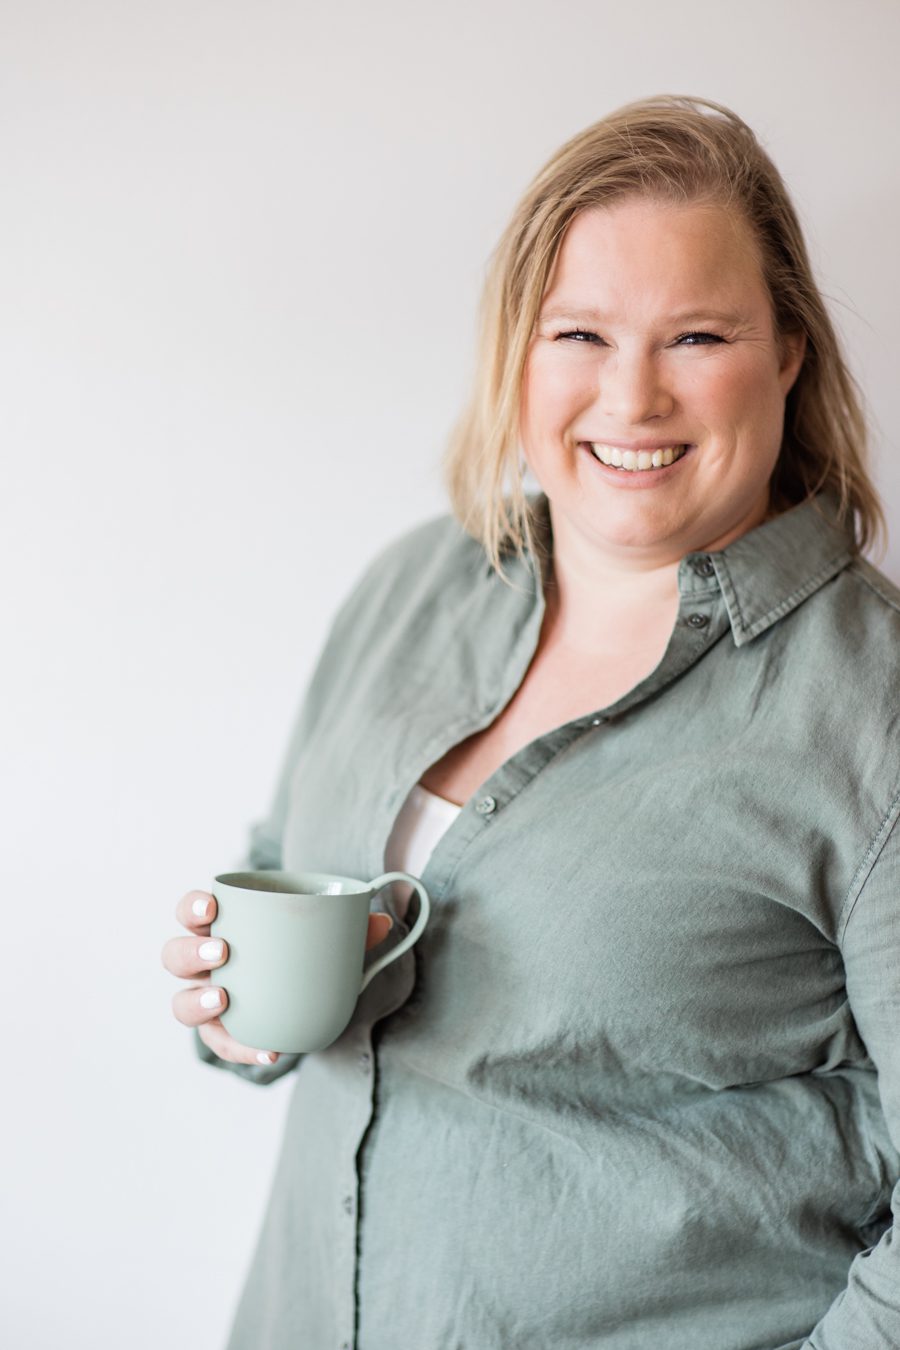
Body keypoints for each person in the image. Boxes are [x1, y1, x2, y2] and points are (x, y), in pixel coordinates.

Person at [162, 95, 900, 1349]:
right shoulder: (414, 587)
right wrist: (236, 1017)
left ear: (787, 352)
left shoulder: (870, 716)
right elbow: (285, 866)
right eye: (580, 333)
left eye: (697, 336)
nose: (632, 397)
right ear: (519, 347)